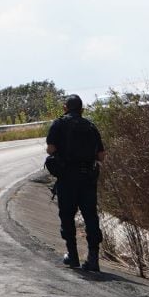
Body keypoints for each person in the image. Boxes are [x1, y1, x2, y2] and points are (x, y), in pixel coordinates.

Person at [46, 94, 106, 272]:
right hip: (87, 178)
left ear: (65, 108)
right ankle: (93, 258)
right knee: (90, 217)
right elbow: (101, 156)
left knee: (67, 216)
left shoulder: (59, 124)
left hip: (67, 178)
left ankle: (73, 257)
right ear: (82, 109)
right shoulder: (90, 126)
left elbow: (50, 149)